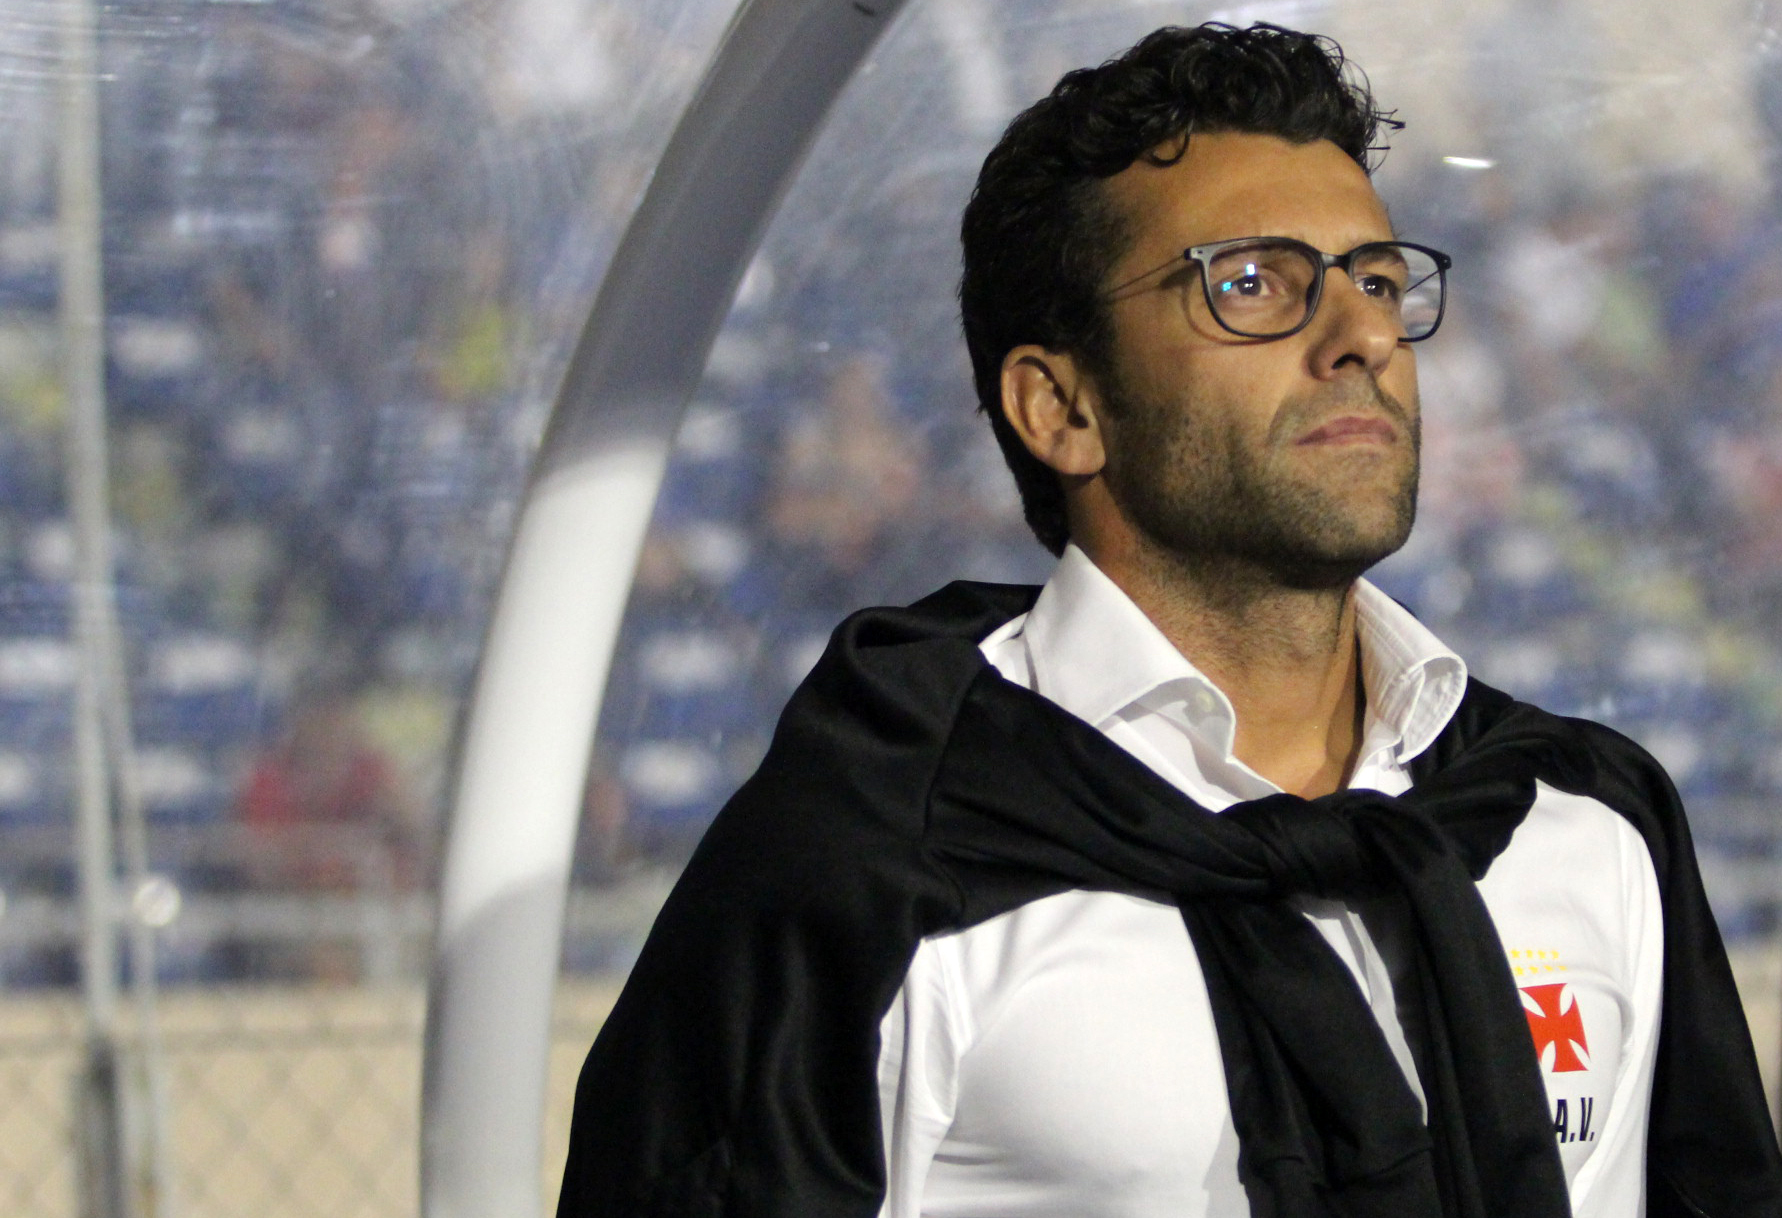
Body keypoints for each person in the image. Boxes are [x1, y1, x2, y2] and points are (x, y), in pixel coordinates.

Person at [557, 24, 1782, 1218]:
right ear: (1062, 408)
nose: (1363, 335)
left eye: (1375, 279)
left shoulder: (1583, 822)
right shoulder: (867, 867)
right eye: (1251, 284)